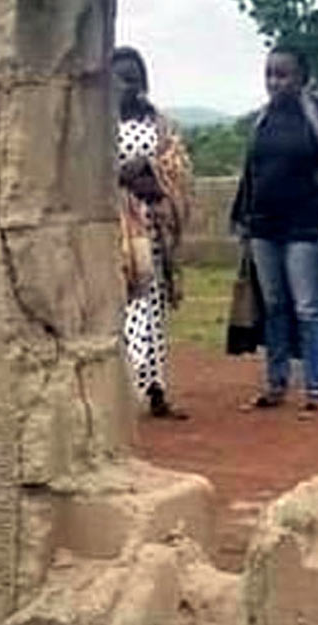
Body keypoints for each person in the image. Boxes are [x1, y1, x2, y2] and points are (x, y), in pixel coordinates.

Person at [228, 43, 318, 420]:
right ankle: (275, 385)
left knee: (308, 307)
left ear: (302, 77)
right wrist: (243, 218)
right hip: (264, 225)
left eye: (283, 74)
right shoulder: (261, 120)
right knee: (273, 305)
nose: (275, 82)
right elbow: (252, 172)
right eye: (269, 74)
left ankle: (315, 390)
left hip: (307, 224)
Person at [111, 46, 194, 420]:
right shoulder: (96, 127)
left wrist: (148, 172)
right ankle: (125, 388)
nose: (126, 86)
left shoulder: (159, 125)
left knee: (152, 307)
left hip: (151, 228)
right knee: (124, 305)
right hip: (114, 231)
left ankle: (156, 389)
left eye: (133, 78)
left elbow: (177, 168)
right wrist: (120, 174)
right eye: (118, 79)